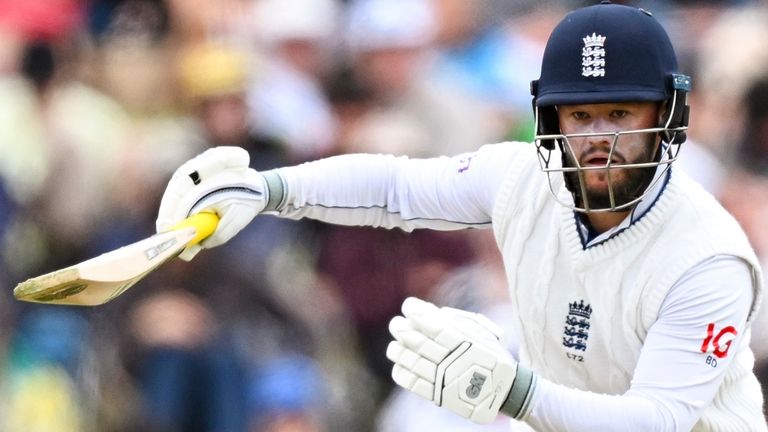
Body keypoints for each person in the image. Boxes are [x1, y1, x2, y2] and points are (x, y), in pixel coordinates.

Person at [154, 2, 766, 431]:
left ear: (669, 117)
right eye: (580, 117)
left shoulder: (706, 256)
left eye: (622, 114)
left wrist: (511, 390)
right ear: (550, 123)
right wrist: (264, 189)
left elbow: (656, 421)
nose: (599, 138)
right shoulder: (522, 180)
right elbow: (396, 187)